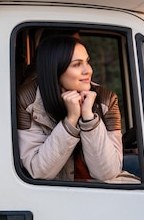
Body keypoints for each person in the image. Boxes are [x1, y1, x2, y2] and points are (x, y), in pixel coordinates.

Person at [17, 35, 123, 182]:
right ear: (55, 70)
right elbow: (39, 171)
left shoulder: (106, 99)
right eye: (77, 64)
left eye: (87, 62)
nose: (88, 70)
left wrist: (88, 117)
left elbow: (107, 173)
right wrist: (71, 121)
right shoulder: (27, 100)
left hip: (95, 192)